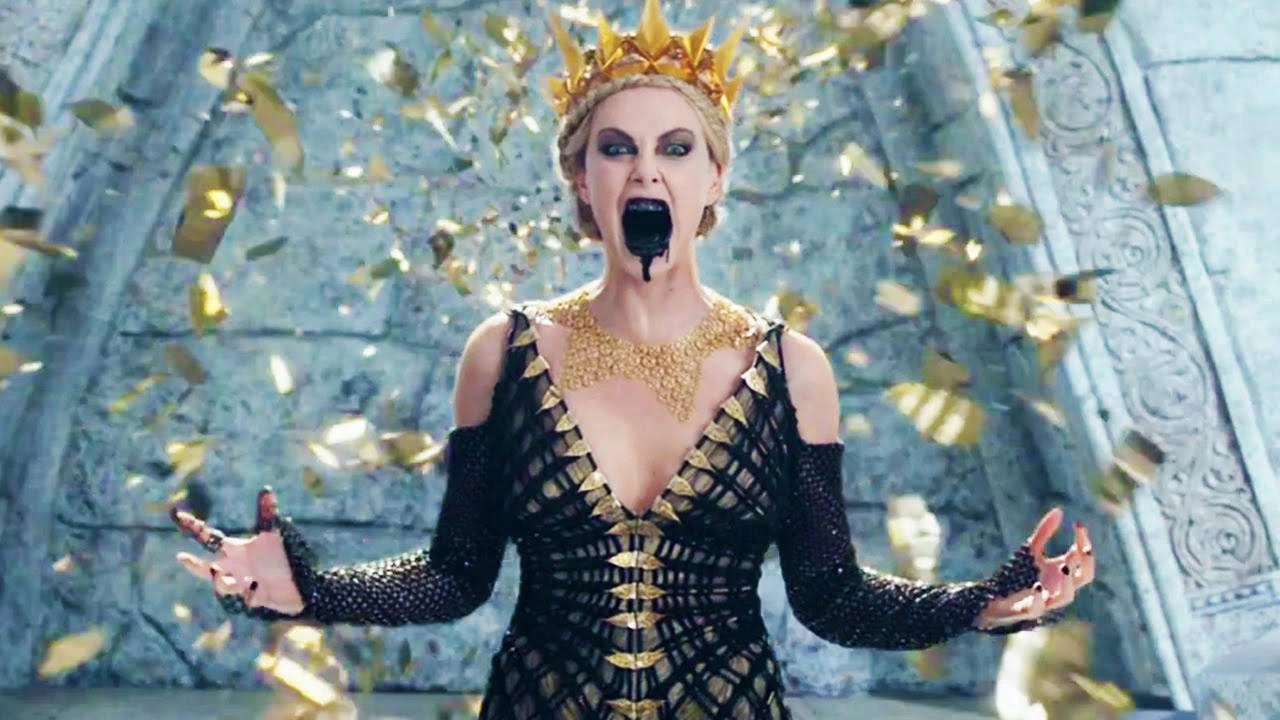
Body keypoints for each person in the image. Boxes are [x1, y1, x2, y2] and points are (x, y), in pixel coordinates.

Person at [172, 2, 1097, 717]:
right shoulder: (503, 353)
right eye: (616, 149)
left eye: (676, 148)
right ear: (583, 179)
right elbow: (456, 575)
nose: (646, 171)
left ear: (713, 178)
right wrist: (314, 590)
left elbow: (831, 596)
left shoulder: (793, 370)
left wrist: (974, 605)